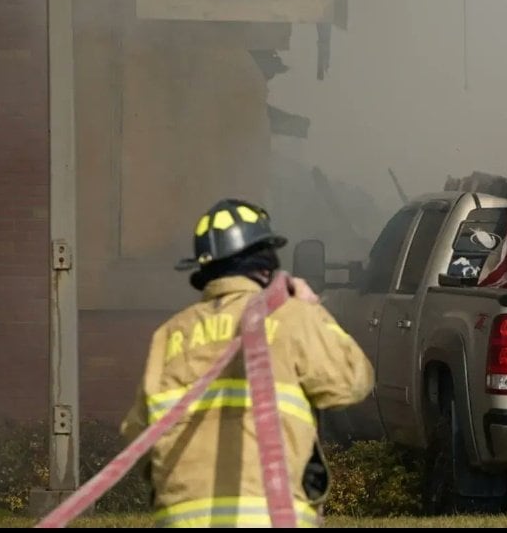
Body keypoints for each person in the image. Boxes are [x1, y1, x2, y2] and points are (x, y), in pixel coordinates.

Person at [120, 198, 374, 528]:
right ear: (265, 265)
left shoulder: (169, 336)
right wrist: (313, 309)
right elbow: (350, 383)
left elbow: (138, 438)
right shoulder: (291, 317)